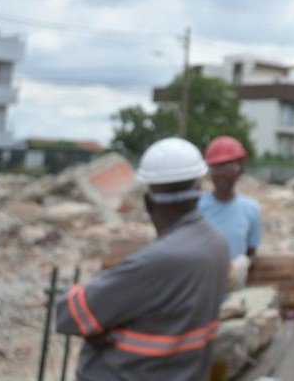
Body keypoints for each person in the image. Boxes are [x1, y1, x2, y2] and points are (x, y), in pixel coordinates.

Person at [55, 137, 230, 380]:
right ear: (198, 192)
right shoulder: (216, 243)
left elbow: (69, 314)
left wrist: (107, 325)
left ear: (149, 202)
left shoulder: (158, 260)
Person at [199, 135, 262, 288]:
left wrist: (243, 265)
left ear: (240, 171)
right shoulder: (197, 206)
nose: (222, 173)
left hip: (233, 291)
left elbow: (251, 251)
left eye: (228, 166)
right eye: (217, 167)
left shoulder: (251, 208)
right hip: (201, 289)